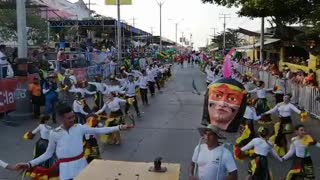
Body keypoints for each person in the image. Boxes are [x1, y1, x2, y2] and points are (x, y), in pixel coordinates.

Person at [16, 105, 133, 180]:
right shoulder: (55, 133)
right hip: (66, 171)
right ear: (62, 119)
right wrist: (29, 164)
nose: (72, 120)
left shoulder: (79, 128)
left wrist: (119, 127)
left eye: (73, 117)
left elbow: (98, 130)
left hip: (82, 167)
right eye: (69, 118)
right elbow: (48, 154)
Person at [23, 115, 58, 179]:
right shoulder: (41, 126)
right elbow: (33, 132)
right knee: (41, 157)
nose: (51, 121)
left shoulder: (51, 128)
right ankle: (39, 172)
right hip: (42, 144)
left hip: (44, 143)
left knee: (46, 159)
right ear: (46, 120)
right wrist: (29, 135)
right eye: (50, 119)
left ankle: (42, 173)